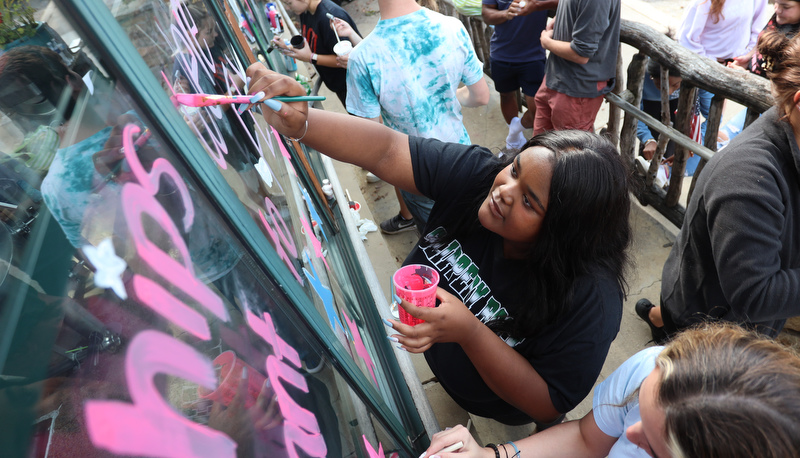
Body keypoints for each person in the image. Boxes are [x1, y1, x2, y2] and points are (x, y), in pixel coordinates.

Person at [247, 64, 632, 426]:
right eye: (514, 170)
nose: (503, 190)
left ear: (562, 233)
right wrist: (305, 123)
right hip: (440, 363)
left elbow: (547, 402)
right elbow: (387, 150)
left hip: (497, 405)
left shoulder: (592, 300)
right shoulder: (480, 176)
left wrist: (469, 330)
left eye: (529, 201)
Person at [636, 28, 800, 344]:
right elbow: (756, 294)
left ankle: (659, 317)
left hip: (722, 308)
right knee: (677, 334)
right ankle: (663, 321)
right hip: (705, 322)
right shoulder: (749, 178)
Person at [421, 323, 800, 458]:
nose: (629, 435)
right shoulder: (656, 366)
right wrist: (493, 456)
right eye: (639, 412)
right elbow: (589, 439)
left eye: (652, 447)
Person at [345, 0, 490, 234]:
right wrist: (447, 97)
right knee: (470, 239)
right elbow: (481, 96)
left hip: (415, 173)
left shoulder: (361, 58)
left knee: (437, 245)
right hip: (461, 159)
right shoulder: (452, 27)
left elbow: (372, 142)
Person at [678, 0, 768, 139]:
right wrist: (713, 66)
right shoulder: (704, 3)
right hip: (701, 64)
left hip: (731, 67)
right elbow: (687, 38)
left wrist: (745, 56)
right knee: (683, 116)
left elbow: (758, 29)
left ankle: (692, 157)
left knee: (713, 119)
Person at [533, 0, 620, 135]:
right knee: (539, 147)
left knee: (570, 153)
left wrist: (546, 42)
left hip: (577, 89)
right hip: (555, 77)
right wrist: (560, 18)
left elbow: (581, 53)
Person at [481, 0, 556, 150]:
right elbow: (486, 14)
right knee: (506, 96)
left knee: (539, 107)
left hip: (534, 57)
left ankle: (516, 129)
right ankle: (515, 137)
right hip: (501, 54)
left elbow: (561, 7)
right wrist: (506, 13)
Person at [273, 0, 361, 106]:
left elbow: (345, 59)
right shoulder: (305, 11)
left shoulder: (329, 17)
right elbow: (313, 43)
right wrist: (288, 48)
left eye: (289, 3)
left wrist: (311, 58)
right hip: (338, 85)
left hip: (353, 86)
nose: (287, 8)